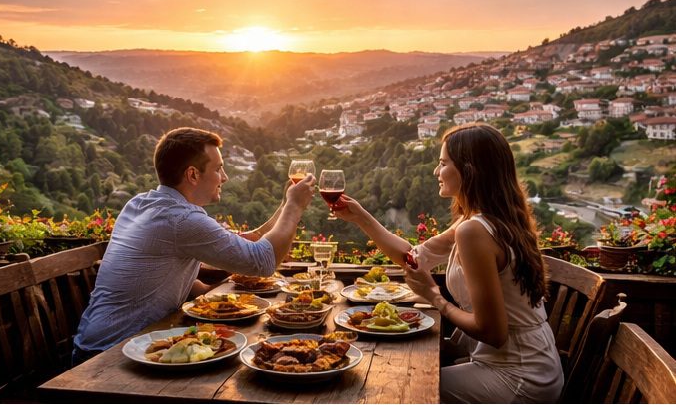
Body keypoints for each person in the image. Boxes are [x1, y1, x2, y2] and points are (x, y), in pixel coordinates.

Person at [334, 122, 563, 403]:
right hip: (530, 363)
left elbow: (493, 332)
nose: (436, 172)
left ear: (469, 169)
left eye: (442, 163)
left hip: (519, 376)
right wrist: (361, 218)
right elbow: (414, 258)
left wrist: (435, 297)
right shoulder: (482, 221)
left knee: (398, 389)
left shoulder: (475, 230)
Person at [72, 127, 315, 365]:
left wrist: (285, 205)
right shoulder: (181, 220)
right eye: (219, 168)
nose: (225, 177)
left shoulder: (142, 203)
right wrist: (295, 208)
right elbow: (262, 261)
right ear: (193, 174)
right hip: (108, 356)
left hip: (98, 343)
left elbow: (242, 243)